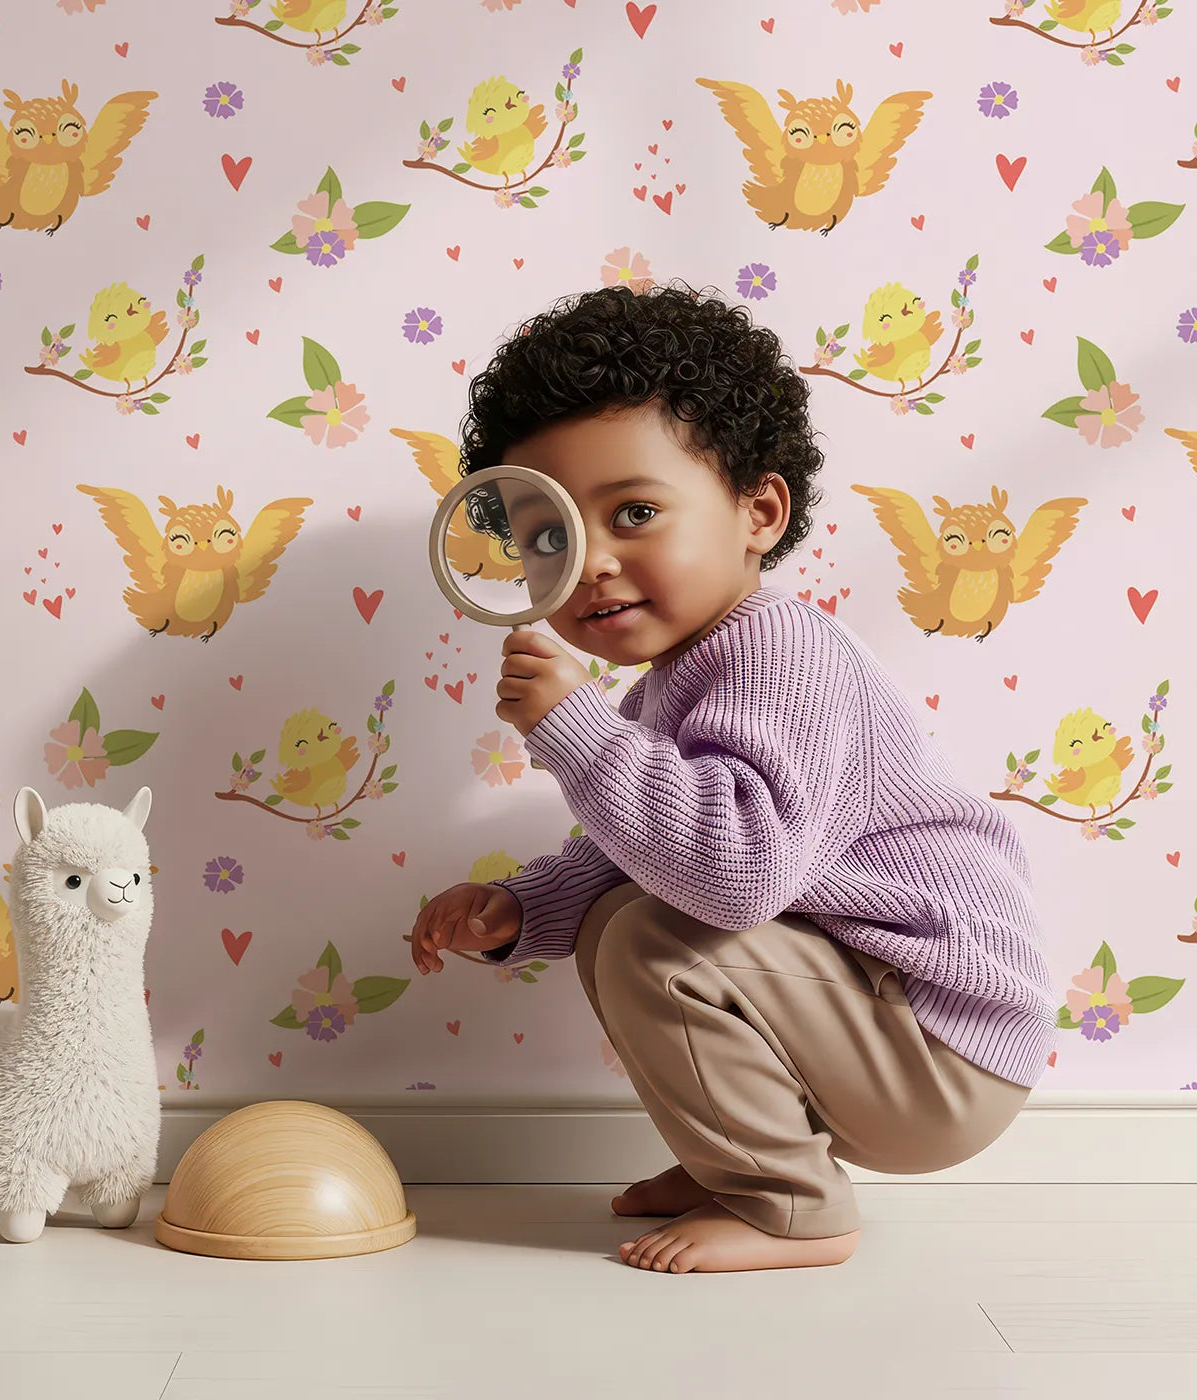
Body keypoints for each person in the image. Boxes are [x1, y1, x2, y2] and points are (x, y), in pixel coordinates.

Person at [408, 282, 1056, 1275]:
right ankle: (738, 1160)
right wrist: (515, 909)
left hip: (942, 1042)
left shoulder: (782, 654)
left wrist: (571, 725)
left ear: (757, 510)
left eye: (632, 511)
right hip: (878, 1018)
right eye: (549, 535)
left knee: (650, 945)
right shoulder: (690, 674)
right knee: (620, 915)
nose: (588, 564)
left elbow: (732, 875)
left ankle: (788, 1204)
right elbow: (634, 852)